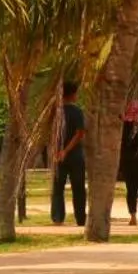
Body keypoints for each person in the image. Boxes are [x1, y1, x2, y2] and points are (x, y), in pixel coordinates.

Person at [50, 81, 88, 227]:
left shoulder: (55, 111)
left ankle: (58, 218)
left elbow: (51, 133)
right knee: (78, 188)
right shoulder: (77, 112)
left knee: (58, 188)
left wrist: (58, 150)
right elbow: (80, 133)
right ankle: (80, 219)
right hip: (75, 155)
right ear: (72, 94)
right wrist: (66, 150)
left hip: (59, 153)